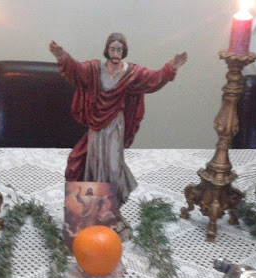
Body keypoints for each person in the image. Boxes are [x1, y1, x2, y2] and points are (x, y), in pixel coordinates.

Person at [49, 34, 187, 237]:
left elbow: (152, 79)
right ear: (107, 50)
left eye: (119, 50)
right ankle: (92, 214)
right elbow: (77, 70)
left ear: (124, 52)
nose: (115, 53)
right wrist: (62, 56)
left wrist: (171, 67)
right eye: (112, 49)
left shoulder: (130, 73)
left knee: (113, 168)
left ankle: (111, 212)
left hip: (115, 126)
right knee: (94, 165)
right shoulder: (95, 70)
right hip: (97, 126)